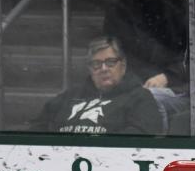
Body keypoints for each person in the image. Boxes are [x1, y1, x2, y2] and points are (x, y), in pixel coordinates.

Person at [102, 0, 188, 130]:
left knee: (153, 102)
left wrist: (168, 76)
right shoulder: (118, 10)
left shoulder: (179, 8)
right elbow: (114, 51)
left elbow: (191, 53)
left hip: (173, 85)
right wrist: (140, 79)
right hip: (129, 83)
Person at [31, 36, 163, 135]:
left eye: (110, 62)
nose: (103, 68)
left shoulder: (140, 98)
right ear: (90, 69)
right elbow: (37, 129)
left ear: (123, 65)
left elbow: (140, 139)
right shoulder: (68, 96)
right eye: (96, 64)